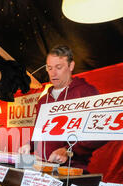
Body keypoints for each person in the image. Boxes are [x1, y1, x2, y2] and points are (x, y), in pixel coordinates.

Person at [19, 45, 107, 173]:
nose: (53, 73)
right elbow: (39, 132)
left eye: (59, 67)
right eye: (49, 68)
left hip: (72, 171)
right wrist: (29, 144)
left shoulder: (85, 92)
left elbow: (100, 132)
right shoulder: (43, 101)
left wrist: (69, 150)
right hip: (42, 168)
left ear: (71, 66)